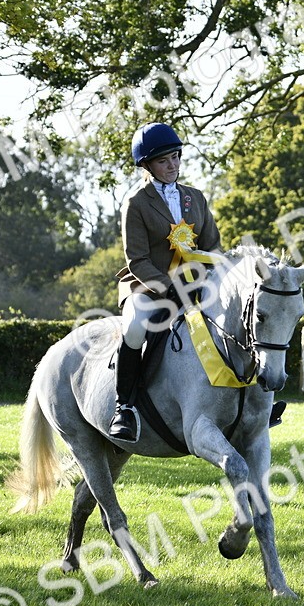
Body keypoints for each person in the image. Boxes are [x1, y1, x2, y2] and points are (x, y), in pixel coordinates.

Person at [109, 122, 222, 442]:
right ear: (147, 165)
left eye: (175, 157)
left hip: (195, 284)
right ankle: (125, 407)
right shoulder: (136, 203)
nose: (172, 165)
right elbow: (137, 258)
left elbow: (212, 246)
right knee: (135, 326)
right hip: (147, 285)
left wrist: (212, 278)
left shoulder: (195, 198)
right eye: (163, 161)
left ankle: (249, 401)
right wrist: (168, 286)